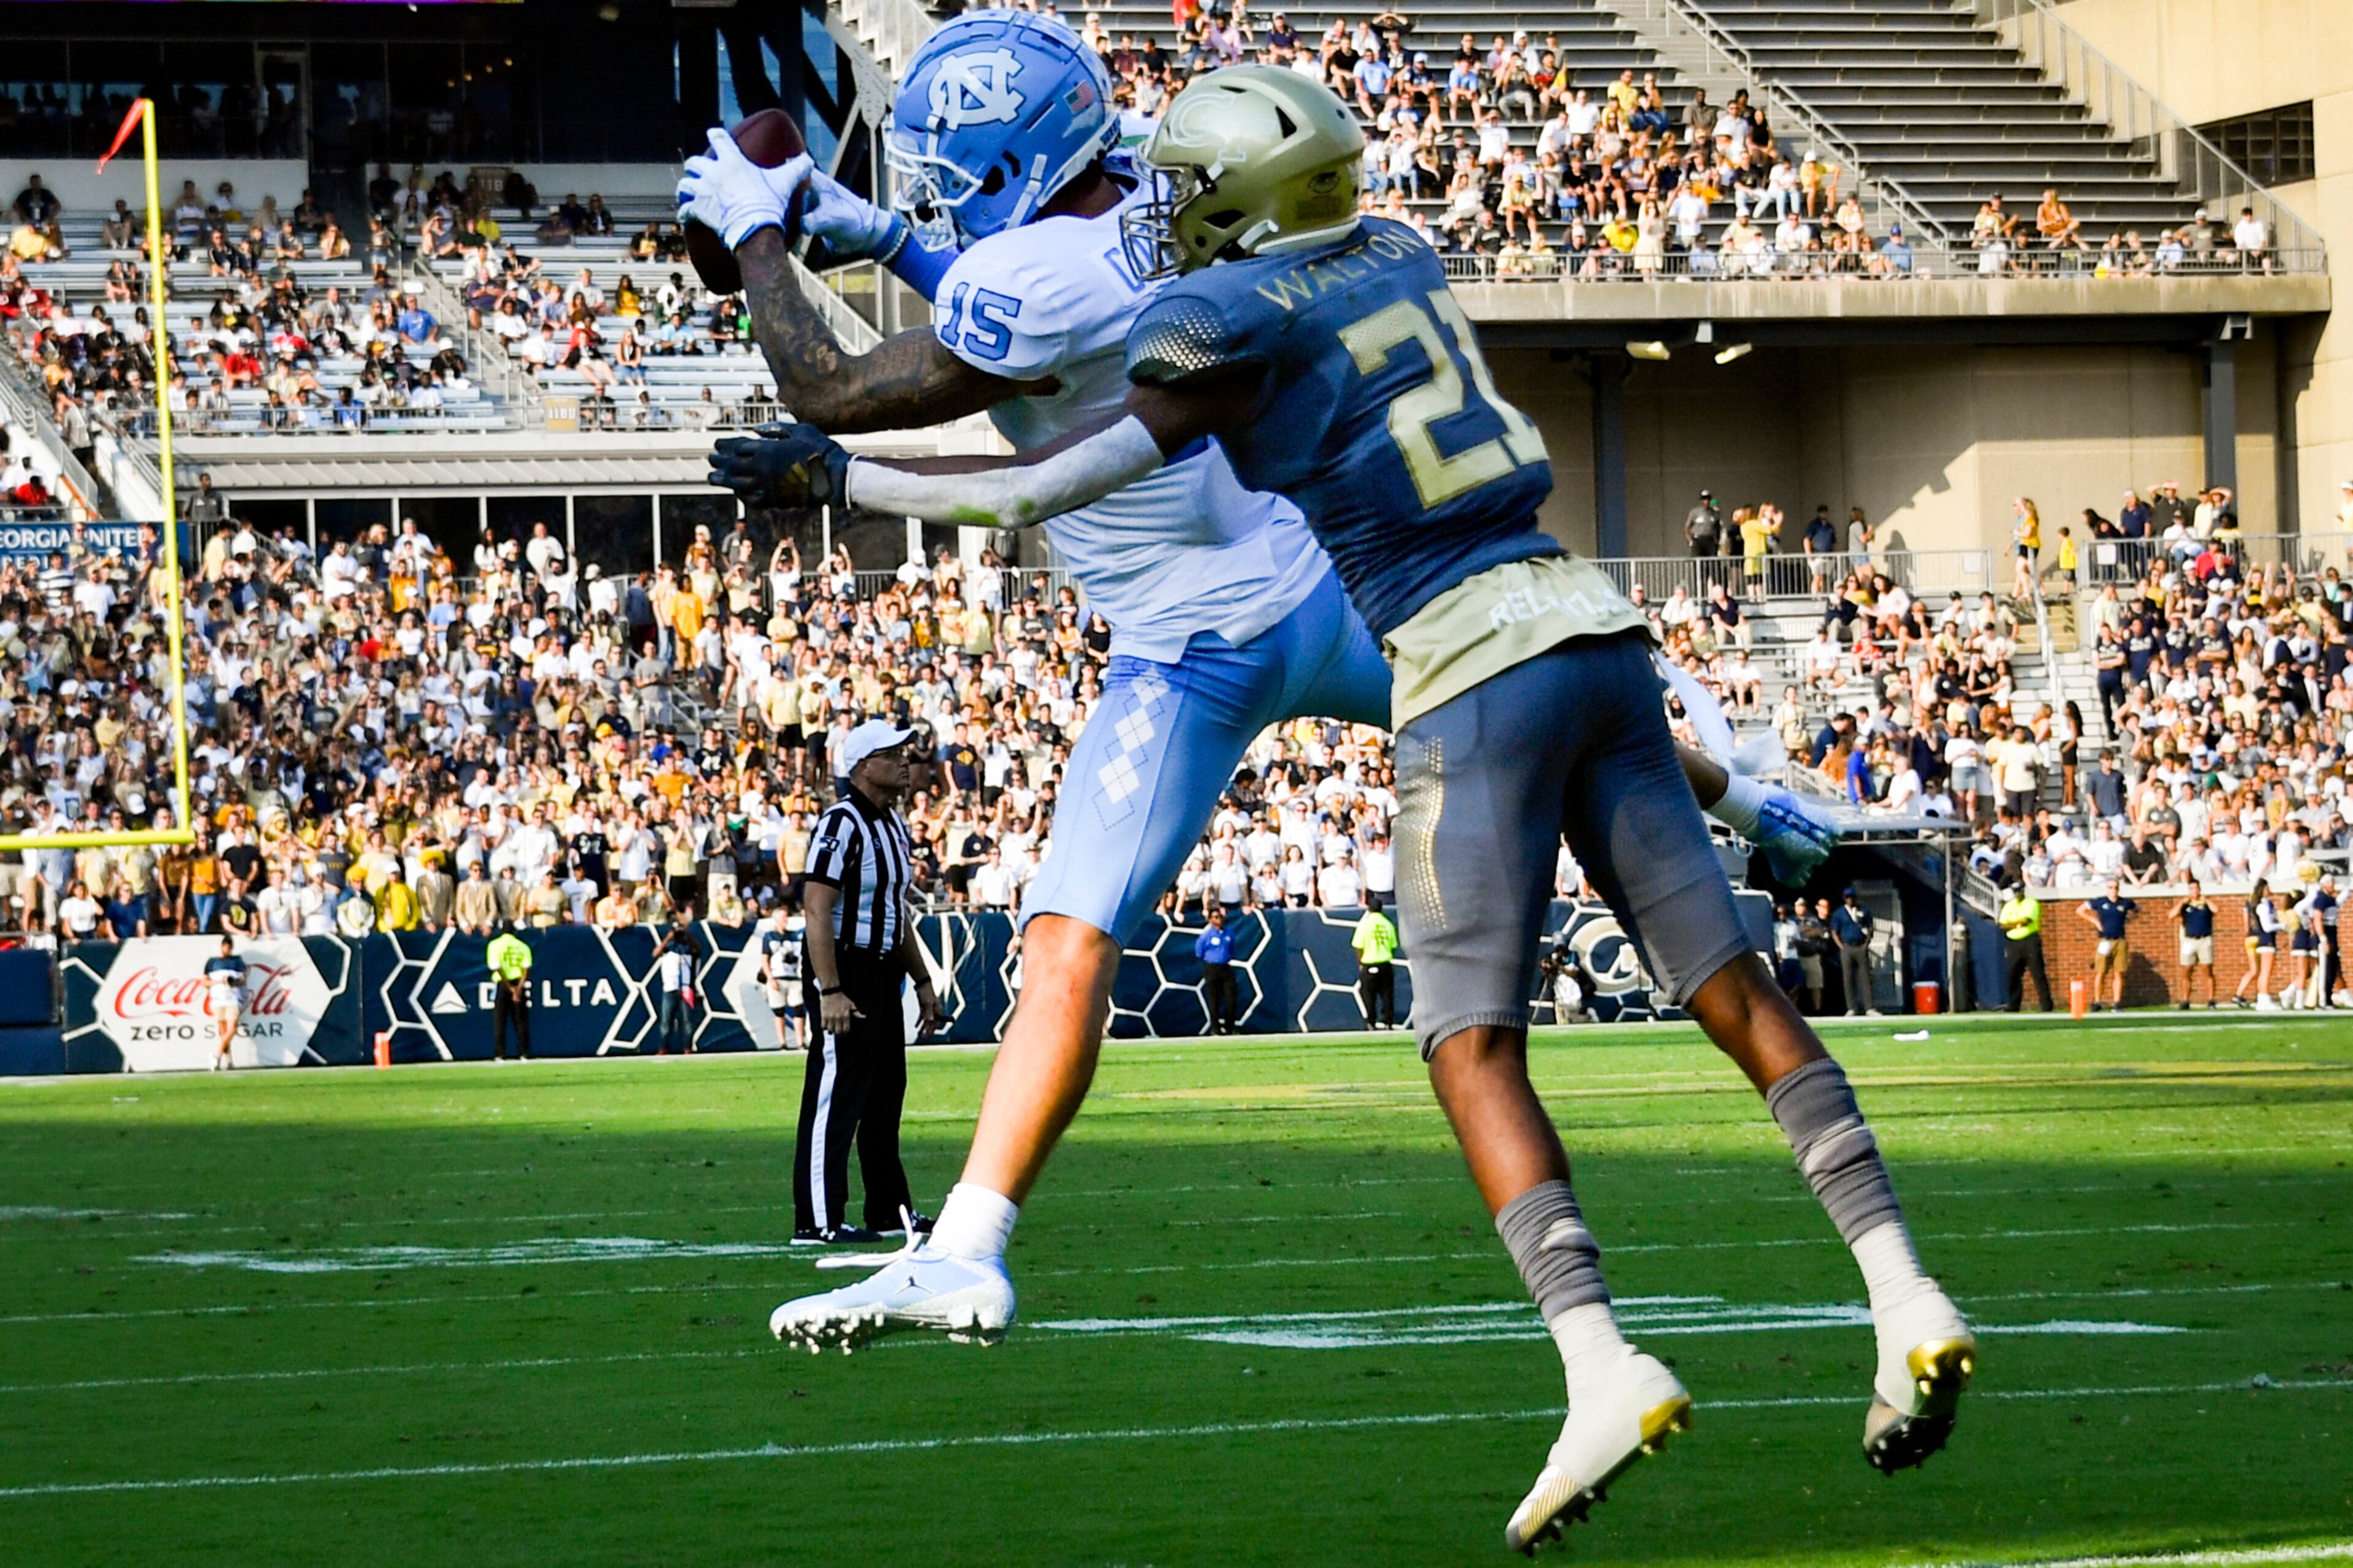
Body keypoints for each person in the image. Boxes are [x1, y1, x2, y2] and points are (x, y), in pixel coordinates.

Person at [755, 63, 1969, 1543]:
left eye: (1189, 197)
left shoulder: (1221, 324)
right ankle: (1901, 1282)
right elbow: (1100, 282)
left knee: (1467, 1046)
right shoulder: (1396, 249)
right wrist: (876, 232)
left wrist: (844, 465)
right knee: (1731, 990)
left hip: (1448, 662)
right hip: (1576, 615)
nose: (1165, 215)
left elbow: (1029, 482)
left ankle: (1596, 1361)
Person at [791, 721, 944, 1244]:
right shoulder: (842, 822)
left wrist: (922, 978)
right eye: (891, 754)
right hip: (846, 965)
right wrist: (830, 989)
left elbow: (894, 910)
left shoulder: (893, 825)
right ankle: (817, 1218)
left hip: (882, 967)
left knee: (885, 1094)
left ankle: (888, 1208)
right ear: (862, 766)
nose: (905, 761)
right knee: (837, 1091)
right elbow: (817, 906)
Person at [759, 898, 808, 1052]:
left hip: (794, 977)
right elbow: (764, 959)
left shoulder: (794, 936)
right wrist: (770, 977)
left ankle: (800, 1042)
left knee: (799, 1009)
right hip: (778, 977)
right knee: (779, 1011)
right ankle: (783, 1042)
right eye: (783, 918)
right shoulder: (770, 937)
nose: (786, 920)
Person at [651, 912, 702, 1054]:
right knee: (666, 1021)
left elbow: (698, 949)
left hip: (686, 988)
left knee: (688, 1021)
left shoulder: (689, 948)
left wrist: (687, 934)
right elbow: (655, 954)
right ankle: (663, 1047)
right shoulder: (669, 948)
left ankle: (687, 1047)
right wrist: (668, 938)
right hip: (670, 987)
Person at [2078, 878, 2131, 1012]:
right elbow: (2080, 910)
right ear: (2107, 889)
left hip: (2120, 940)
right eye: (2111, 887)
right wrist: (2095, 922)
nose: (2113, 890)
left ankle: (2117, 1002)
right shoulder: (2100, 902)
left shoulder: (2124, 903)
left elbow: (2138, 909)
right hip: (2105, 940)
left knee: (2118, 972)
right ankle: (2097, 1001)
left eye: (2115, 888)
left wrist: (2129, 920)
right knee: (2100, 972)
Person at [1998, 881, 2050, 1012]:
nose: (2017, 894)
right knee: (2013, 974)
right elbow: (2003, 925)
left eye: (2019, 891)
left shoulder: (2031, 903)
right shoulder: (2009, 905)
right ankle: (2014, 1005)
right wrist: (2018, 924)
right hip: (2014, 942)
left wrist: (2013, 924)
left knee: (2038, 974)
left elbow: (2027, 921)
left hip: (2030, 941)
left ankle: (2046, 1005)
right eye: (2015, 891)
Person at [486, 925, 533, 1061]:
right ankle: (524, 1053)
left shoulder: (495, 945)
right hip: (519, 983)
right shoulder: (522, 946)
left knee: (500, 1020)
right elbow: (526, 969)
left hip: (502, 983)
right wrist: (517, 989)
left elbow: (497, 967)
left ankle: (500, 1053)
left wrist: (508, 987)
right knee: (521, 1020)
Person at [2172, 877, 2218, 1010]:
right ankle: (2186, 1000)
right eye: (2191, 889)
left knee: (2207, 969)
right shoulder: (2186, 906)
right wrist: (2181, 903)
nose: (2194, 891)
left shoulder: (2205, 905)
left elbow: (2216, 910)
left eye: (2196, 888)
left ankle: (2211, 1000)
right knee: (2186, 971)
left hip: (2204, 939)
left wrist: (2206, 900)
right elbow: (2171, 915)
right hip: (2189, 940)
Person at [1352, 898, 1398, 1029]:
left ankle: (1371, 1022)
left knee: (1369, 996)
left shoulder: (1364, 925)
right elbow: (1393, 945)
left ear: (1369, 909)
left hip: (1369, 963)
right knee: (1387, 995)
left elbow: (1358, 946)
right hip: (1385, 963)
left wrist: (1361, 963)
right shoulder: (1388, 924)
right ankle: (1388, 1022)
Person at [203, 935, 247, 1072]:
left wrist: (232, 981)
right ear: (221, 947)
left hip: (233, 999)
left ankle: (216, 1056)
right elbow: (204, 982)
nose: (226, 950)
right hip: (217, 1000)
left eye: (229, 948)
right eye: (224, 947)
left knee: (232, 1029)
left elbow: (243, 980)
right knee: (223, 1033)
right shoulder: (212, 962)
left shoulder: (237, 961)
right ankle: (229, 1062)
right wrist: (219, 982)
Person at [1195, 904, 1240, 1034]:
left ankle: (1230, 1027)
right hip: (1212, 968)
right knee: (1214, 1000)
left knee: (1231, 999)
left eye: (1221, 917)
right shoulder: (1206, 936)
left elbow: (1232, 949)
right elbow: (1199, 951)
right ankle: (1215, 1028)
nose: (1219, 919)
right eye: (1216, 917)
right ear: (1210, 919)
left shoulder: (1229, 933)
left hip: (1225, 967)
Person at [1832, 887, 1877, 1015]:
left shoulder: (1863, 911)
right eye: (1848, 897)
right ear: (1844, 899)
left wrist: (1866, 944)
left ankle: (1869, 1007)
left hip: (1860, 946)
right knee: (1848, 978)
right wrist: (1841, 946)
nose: (1850, 900)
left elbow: (1870, 928)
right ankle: (1852, 1008)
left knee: (1865, 977)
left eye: (1852, 897)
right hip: (1847, 947)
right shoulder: (1839, 913)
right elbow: (1834, 931)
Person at [2236, 879, 2279, 1010]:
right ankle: (2263, 997)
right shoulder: (2262, 906)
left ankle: (2262, 998)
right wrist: (2283, 925)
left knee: (2262, 971)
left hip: (2263, 940)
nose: (2269, 890)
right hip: (2265, 940)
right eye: (2266, 888)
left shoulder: (2263, 904)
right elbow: (2267, 926)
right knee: (2265, 971)